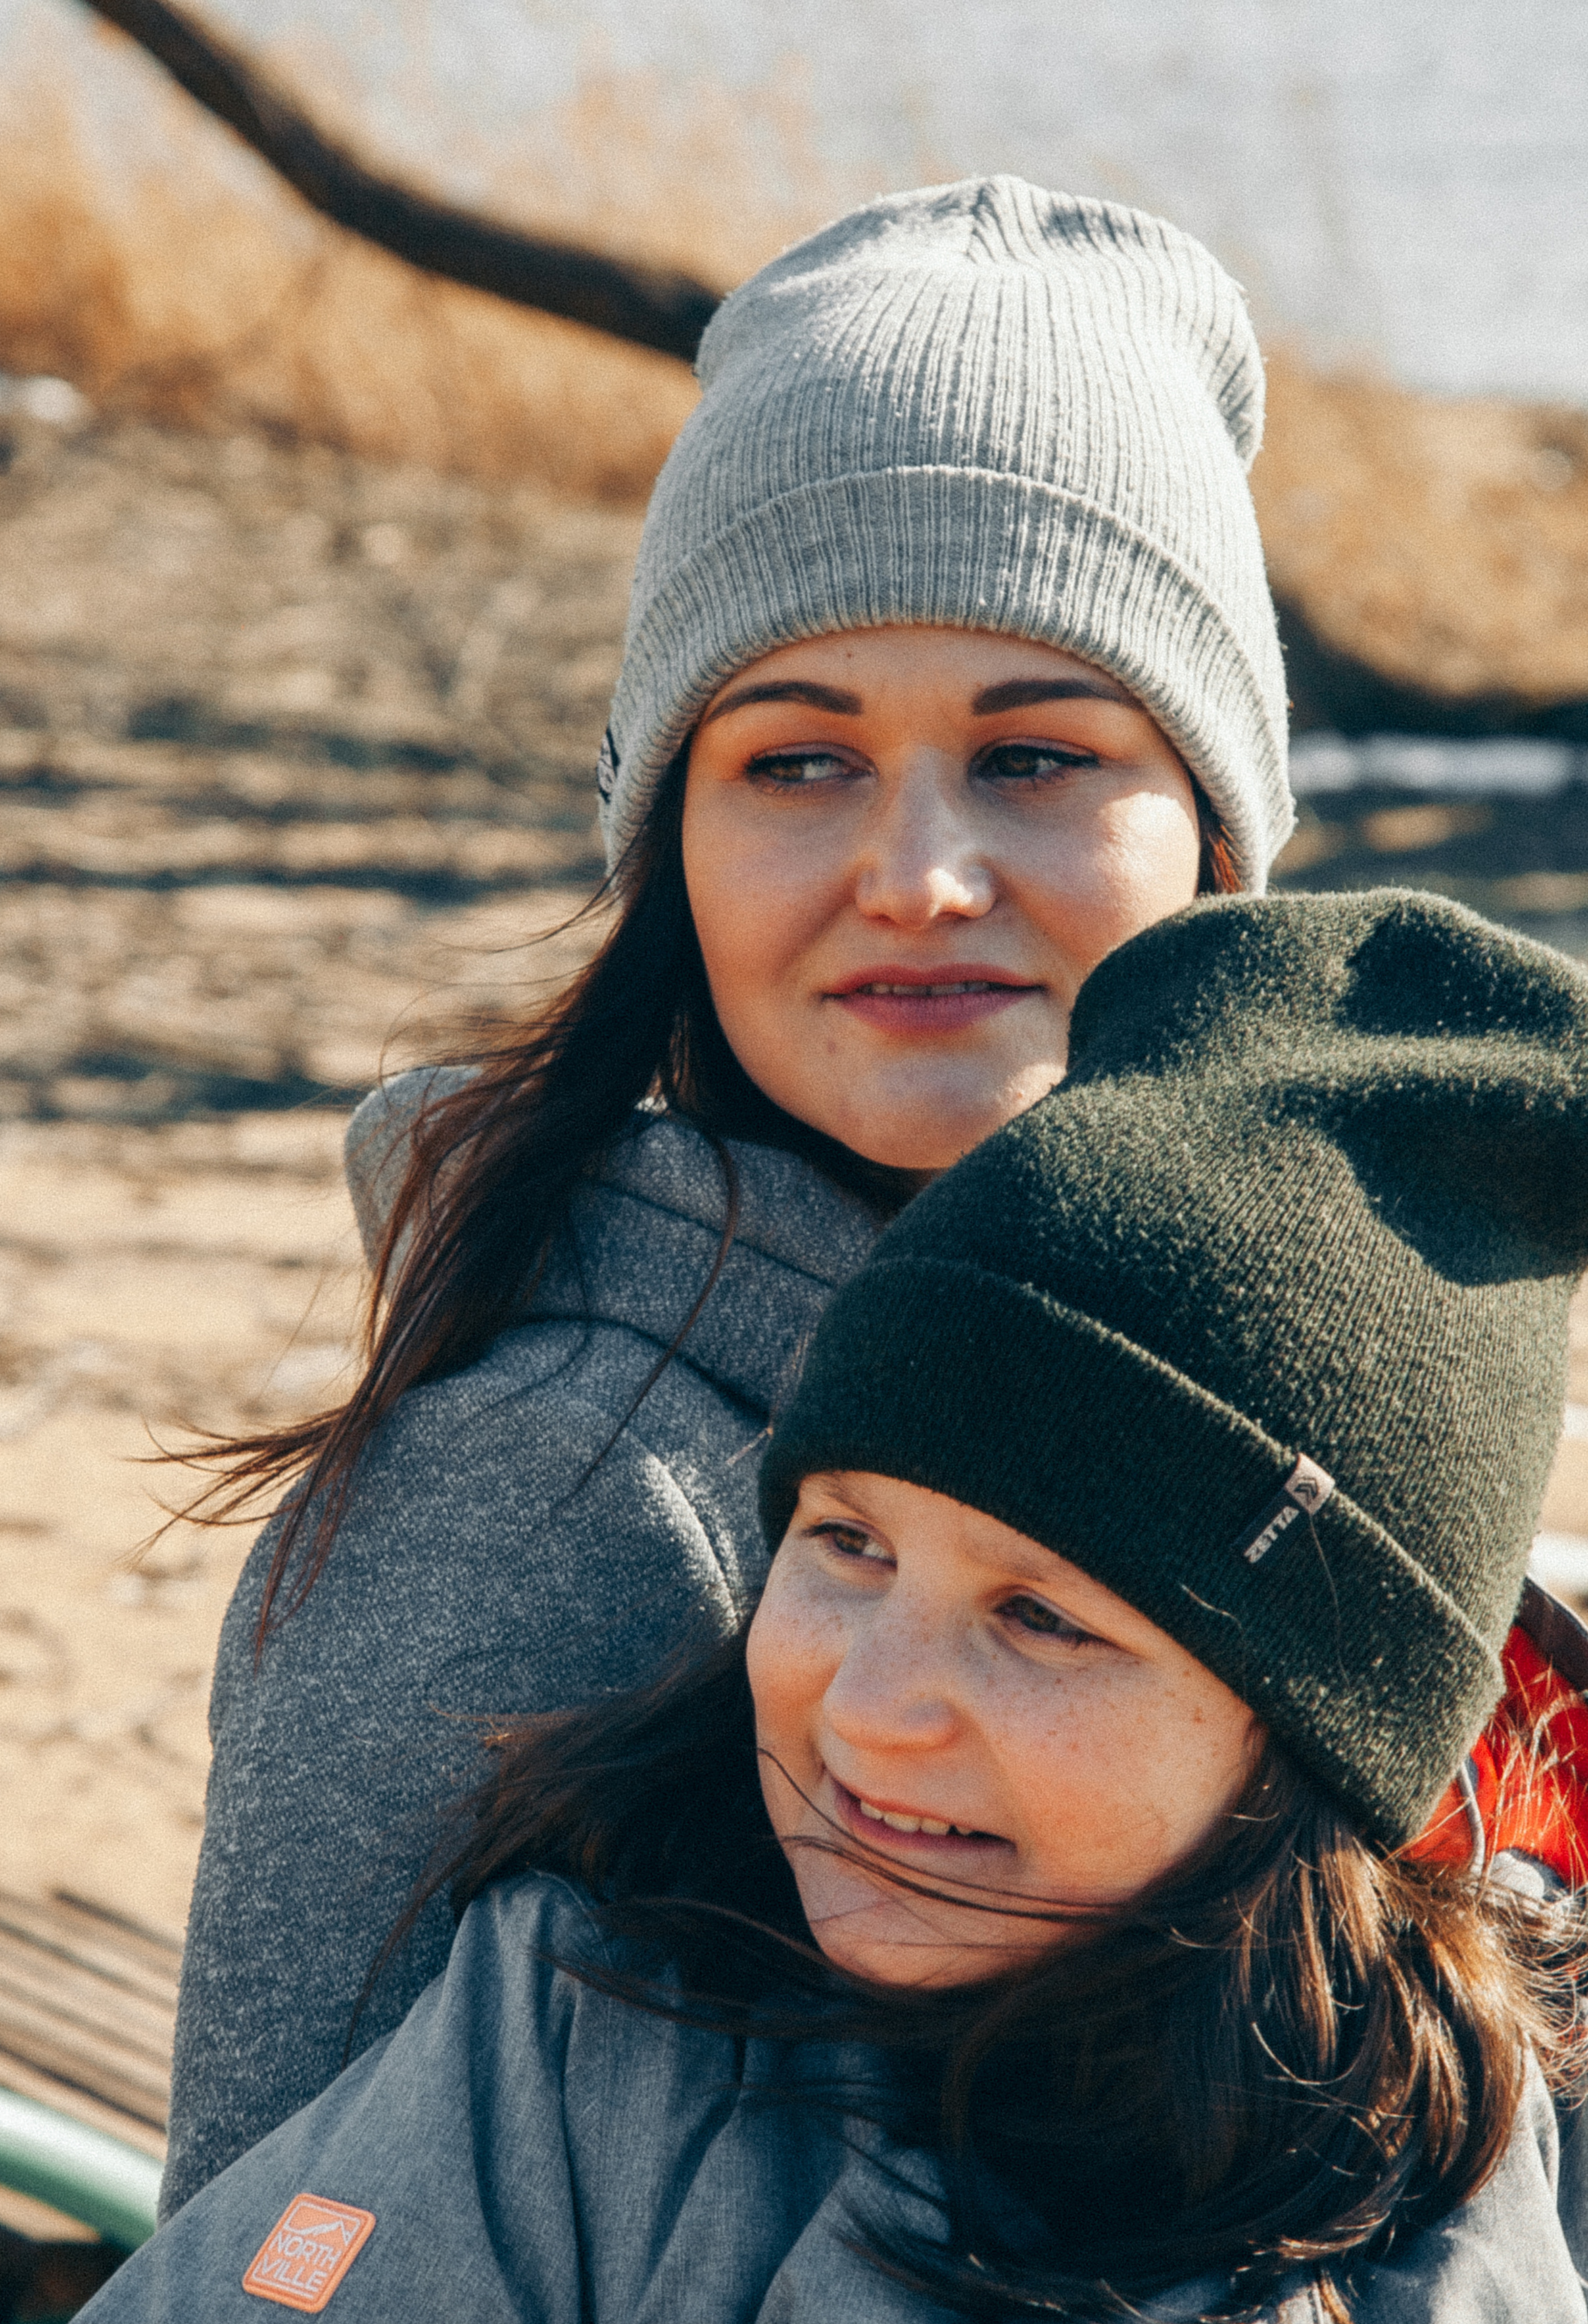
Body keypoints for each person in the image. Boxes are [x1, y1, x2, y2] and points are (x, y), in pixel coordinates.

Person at [0, 890, 1588, 2324]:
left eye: (1041, 1619)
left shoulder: (1522, 2165)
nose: (870, 1702)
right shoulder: (598, 2087)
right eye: (843, 1545)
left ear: (1318, 1735)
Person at [161, 171, 1297, 2214]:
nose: (920, 870)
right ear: (668, 840)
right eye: (796, 759)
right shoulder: (542, 1498)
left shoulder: (1305, 1437)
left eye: (1037, 755)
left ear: (1212, 831)